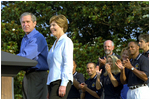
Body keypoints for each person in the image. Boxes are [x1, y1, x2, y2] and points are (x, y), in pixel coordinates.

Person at [17, 12, 49, 99]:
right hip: (28, 75)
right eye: (23, 22)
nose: (25, 24)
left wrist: (10, 58)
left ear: (34, 23)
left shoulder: (37, 37)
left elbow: (26, 56)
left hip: (37, 76)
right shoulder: (25, 38)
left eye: (28, 21)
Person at [47, 14, 73, 99]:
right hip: (52, 81)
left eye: (54, 25)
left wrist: (63, 84)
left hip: (61, 80)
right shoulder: (54, 44)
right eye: (50, 25)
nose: (51, 27)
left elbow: (68, 63)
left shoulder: (66, 41)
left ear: (61, 26)